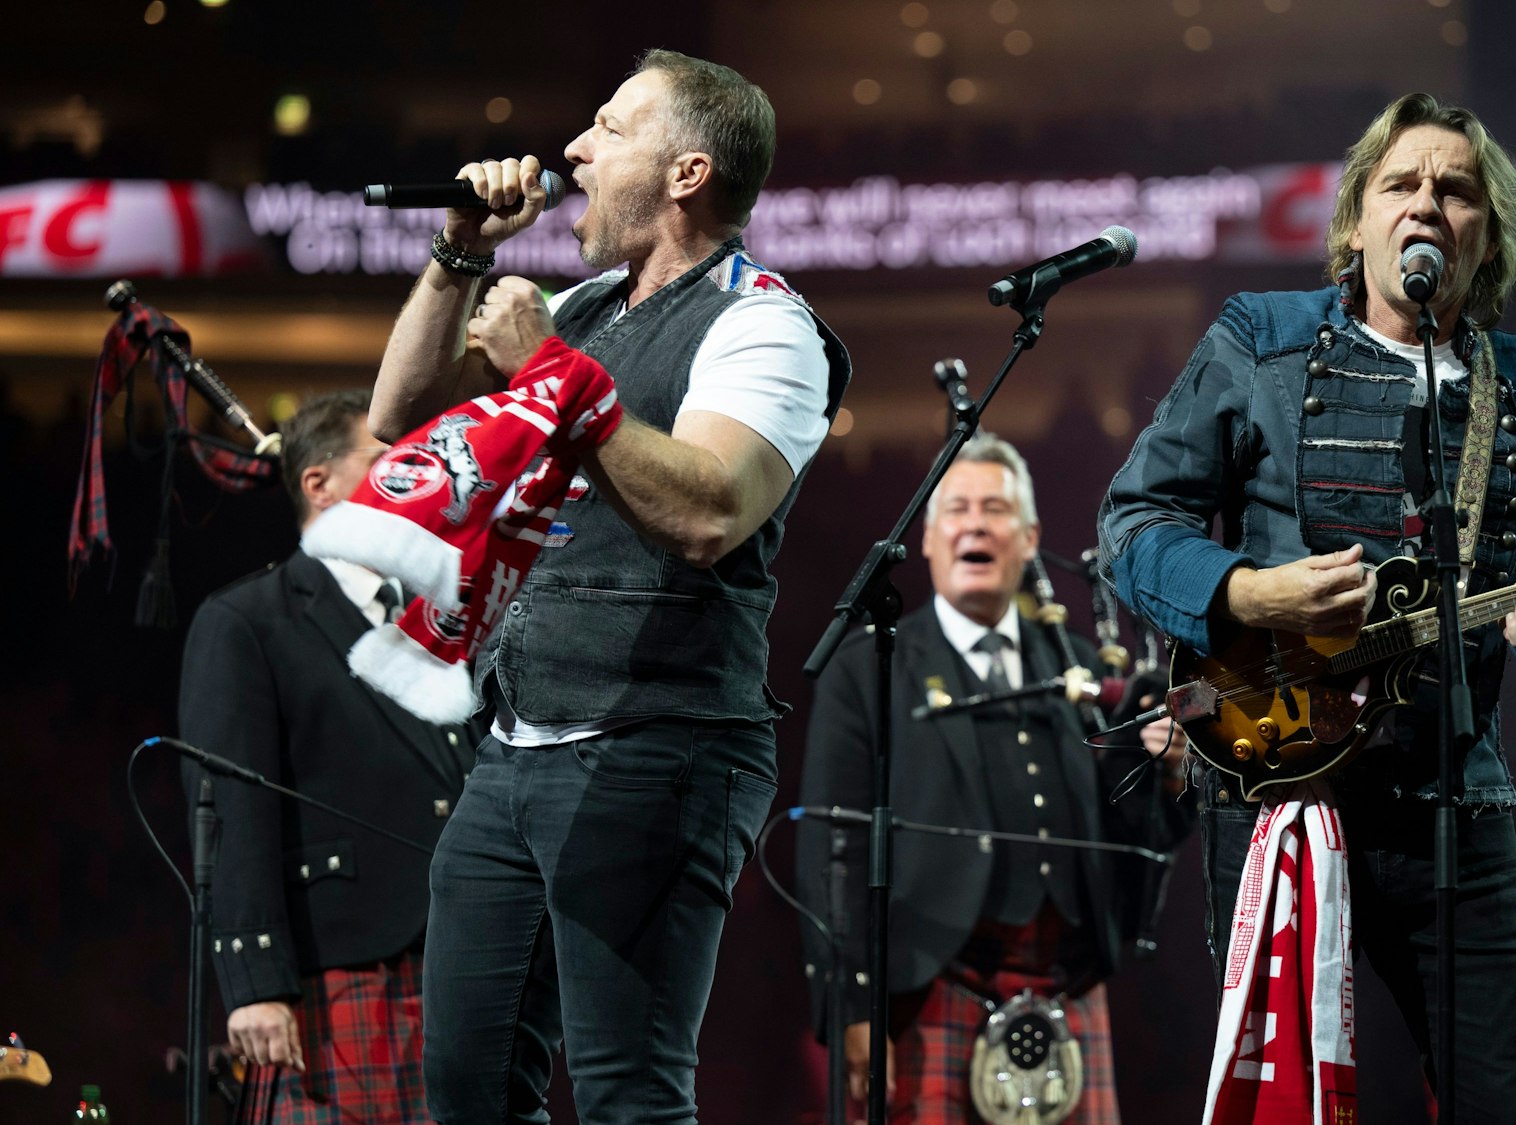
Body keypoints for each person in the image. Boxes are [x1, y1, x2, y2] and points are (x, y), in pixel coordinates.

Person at [1099, 92, 1516, 1120]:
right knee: (1288, 1103)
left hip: (1455, 801)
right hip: (1278, 788)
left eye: (1455, 191)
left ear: (1485, 237)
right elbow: (1133, 523)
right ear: (1354, 223)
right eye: (1400, 184)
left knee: (1508, 1102)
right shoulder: (1260, 339)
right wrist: (1248, 590)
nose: (1426, 203)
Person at [367, 50, 851, 1122]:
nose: (573, 151)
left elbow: (710, 512)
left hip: (659, 749)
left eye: (609, 129)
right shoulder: (586, 307)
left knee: (628, 1092)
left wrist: (547, 369)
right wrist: (459, 251)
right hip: (514, 742)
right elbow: (400, 420)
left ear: (686, 173)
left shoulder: (765, 324)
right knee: (468, 1090)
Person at [798, 433, 1189, 1122]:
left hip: (1068, 987)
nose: (974, 524)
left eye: (996, 509)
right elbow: (832, 848)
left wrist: (1166, 773)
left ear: (1030, 538)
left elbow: (1131, 834)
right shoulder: (868, 668)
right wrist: (851, 1006)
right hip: (926, 991)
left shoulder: (1081, 668)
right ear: (927, 538)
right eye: (956, 509)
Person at [179, 388, 476, 1124]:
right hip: (336, 967)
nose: (420, 476)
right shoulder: (249, 620)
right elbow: (232, 811)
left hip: (463, 963)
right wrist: (254, 983)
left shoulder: (442, 612)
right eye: (391, 461)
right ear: (319, 483)